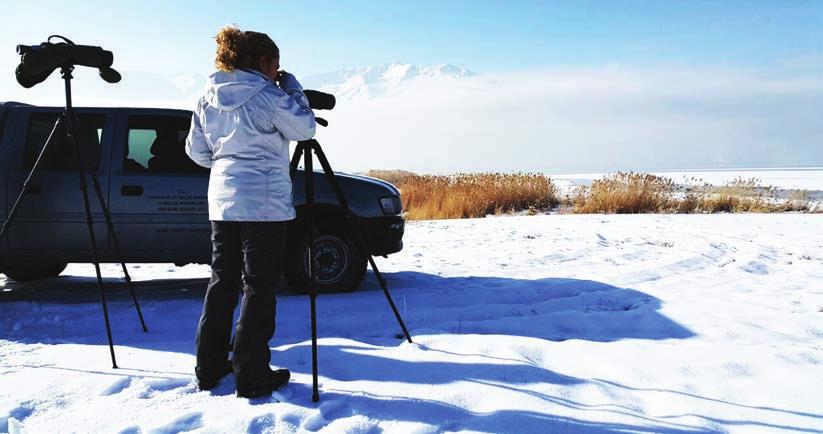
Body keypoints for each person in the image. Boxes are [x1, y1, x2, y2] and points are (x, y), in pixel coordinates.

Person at [185, 25, 316, 398]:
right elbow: (305, 128)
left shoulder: (208, 96)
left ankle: (208, 368)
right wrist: (292, 89)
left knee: (222, 282)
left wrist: (227, 163)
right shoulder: (268, 95)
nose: (278, 71)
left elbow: (196, 152)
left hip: (223, 203)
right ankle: (251, 372)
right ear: (263, 62)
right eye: (276, 65)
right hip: (264, 206)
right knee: (259, 287)